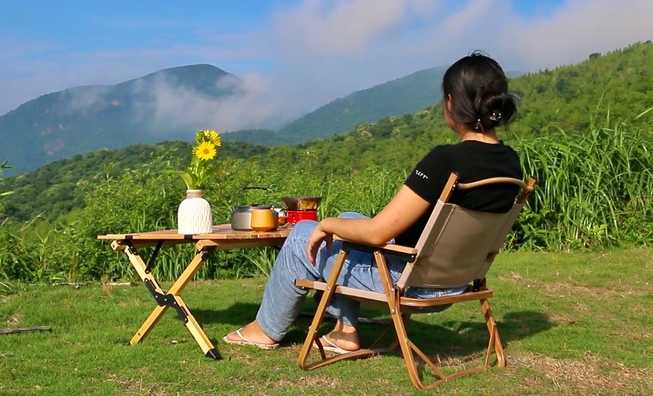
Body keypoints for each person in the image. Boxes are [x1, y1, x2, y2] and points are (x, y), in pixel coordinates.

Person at [223, 52, 524, 352]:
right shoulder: (511, 164)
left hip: (410, 283)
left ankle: (265, 330)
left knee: (303, 235)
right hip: (457, 282)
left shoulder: (446, 160)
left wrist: (325, 224)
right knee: (352, 217)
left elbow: (379, 232)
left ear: (450, 103)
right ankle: (345, 331)